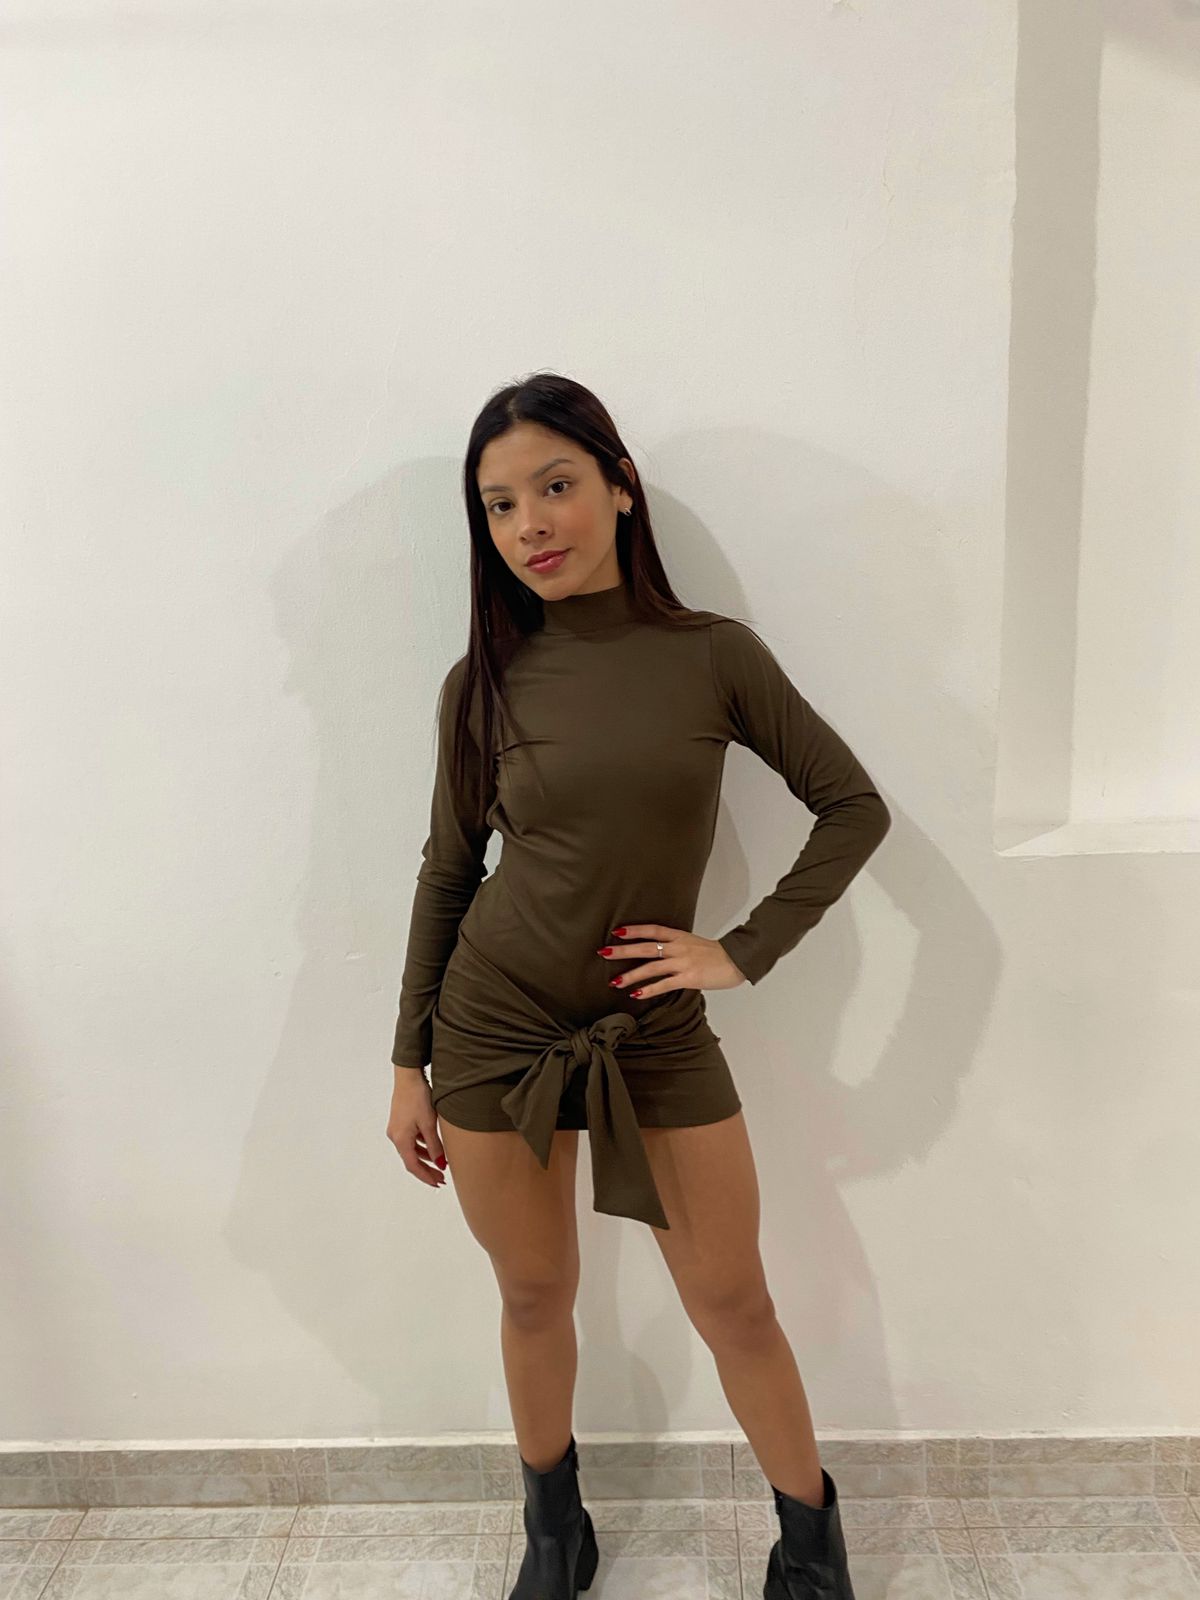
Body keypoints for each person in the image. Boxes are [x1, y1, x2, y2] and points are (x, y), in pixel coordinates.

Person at [387, 372, 890, 1599]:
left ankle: (810, 1549)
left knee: (734, 1300)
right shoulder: (482, 680)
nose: (530, 525)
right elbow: (450, 871)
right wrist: (409, 1059)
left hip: (653, 1033)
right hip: (494, 1030)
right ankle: (556, 1535)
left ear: (619, 486)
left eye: (555, 485)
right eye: (500, 505)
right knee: (534, 1292)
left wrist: (741, 949)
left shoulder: (712, 655)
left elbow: (851, 805)